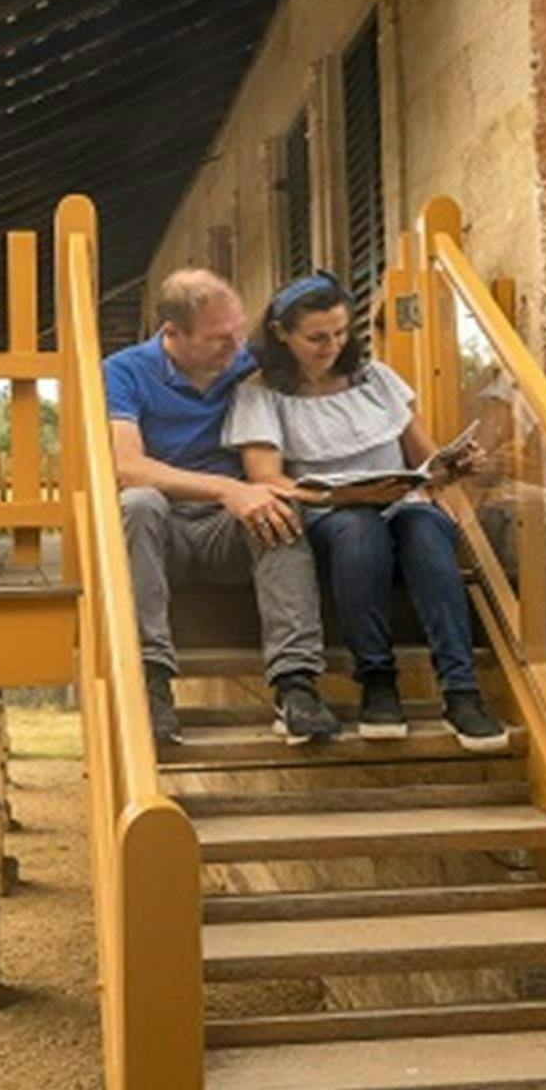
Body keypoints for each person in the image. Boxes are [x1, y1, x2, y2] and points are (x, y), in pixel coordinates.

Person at [223, 271, 511, 751]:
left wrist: (454, 465)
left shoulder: (376, 379)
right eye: (317, 337)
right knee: (359, 531)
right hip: (326, 513)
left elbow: (426, 459)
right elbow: (266, 479)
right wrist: (345, 497)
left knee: (425, 527)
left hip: (399, 502)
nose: (331, 346)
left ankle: (461, 692)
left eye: (340, 333)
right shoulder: (260, 394)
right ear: (281, 334)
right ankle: (378, 682)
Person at [106, 269, 340, 748]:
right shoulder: (123, 372)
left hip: (225, 531)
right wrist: (226, 489)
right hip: (159, 532)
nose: (236, 350)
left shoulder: (245, 364)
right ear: (172, 333)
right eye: (219, 339)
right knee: (138, 502)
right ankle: (149, 681)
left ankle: (296, 685)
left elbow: (330, 369)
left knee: (277, 508)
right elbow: (127, 466)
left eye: (239, 333)